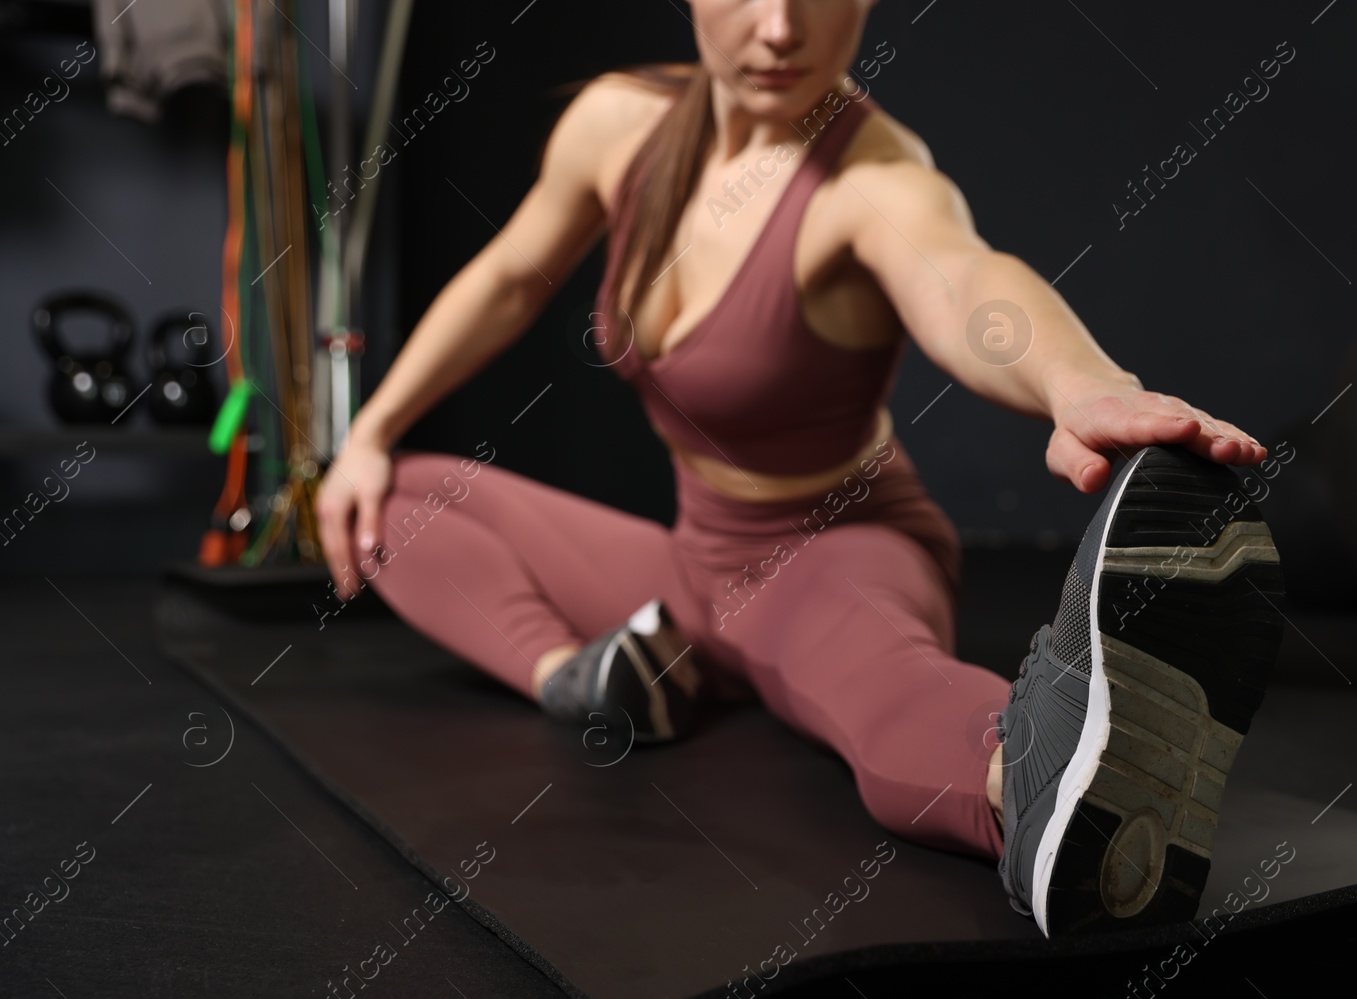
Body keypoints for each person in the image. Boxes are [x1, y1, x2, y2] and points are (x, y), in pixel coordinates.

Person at [314, 0, 1285, 938]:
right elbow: (513, 275)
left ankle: (1045, 788)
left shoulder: (872, 178)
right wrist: (369, 431)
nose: (780, 28)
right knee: (390, 495)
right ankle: (585, 677)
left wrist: (1083, 385)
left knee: (879, 690)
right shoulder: (616, 122)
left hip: (832, 551)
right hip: (690, 569)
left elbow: (964, 281)